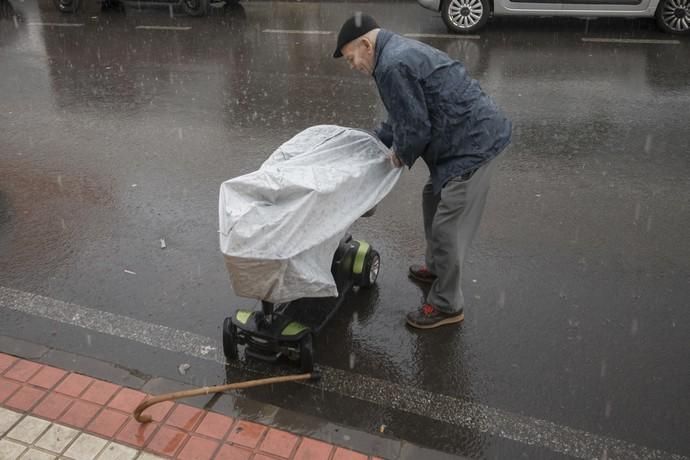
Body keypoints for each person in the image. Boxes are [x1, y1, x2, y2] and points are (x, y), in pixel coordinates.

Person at [333, 13, 512, 330]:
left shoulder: (391, 65)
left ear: (365, 44)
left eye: (351, 58)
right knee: (432, 198)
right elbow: (403, 114)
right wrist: (373, 139)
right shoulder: (391, 54)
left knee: (447, 227)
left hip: (472, 146)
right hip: (458, 140)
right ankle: (436, 267)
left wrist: (396, 156)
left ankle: (446, 305)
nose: (353, 66)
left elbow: (414, 129)